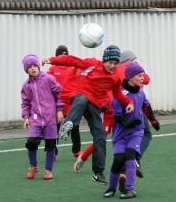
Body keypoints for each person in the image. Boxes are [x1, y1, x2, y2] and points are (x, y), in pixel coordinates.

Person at [41, 45, 134, 185]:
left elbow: (118, 94)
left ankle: (98, 173)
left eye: (115, 63)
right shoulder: (91, 64)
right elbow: (71, 60)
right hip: (76, 93)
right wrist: (52, 60)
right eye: (110, 62)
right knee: (82, 99)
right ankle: (69, 123)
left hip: (94, 104)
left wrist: (129, 102)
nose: (112, 66)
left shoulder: (114, 77)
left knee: (100, 135)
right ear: (104, 60)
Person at [74, 49, 155, 177]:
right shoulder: (134, 68)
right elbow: (147, 79)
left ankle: (82, 158)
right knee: (144, 133)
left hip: (111, 109)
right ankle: (133, 160)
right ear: (132, 59)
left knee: (101, 137)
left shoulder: (113, 69)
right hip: (130, 109)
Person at [103, 62, 160, 199]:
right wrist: (130, 123)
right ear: (129, 78)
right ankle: (111, 188)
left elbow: (146, 106)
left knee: (130, 155)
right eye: (139, 76)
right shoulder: (120, 96)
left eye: (143, 75)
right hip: (120, 134)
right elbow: (117, 116)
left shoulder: (140, 93)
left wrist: (152, 120)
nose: (143, 78)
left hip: (136, 131)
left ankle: (130, 189)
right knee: (118, 160)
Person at [21, 54, 64, 180]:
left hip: (50, 118)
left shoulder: (48, 79)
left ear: (39, 66)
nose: (33, 69)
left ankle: (48, 170)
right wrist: (26, 117)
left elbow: (59, 94)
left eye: (35, 66)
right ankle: (33, 166)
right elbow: (25, 103)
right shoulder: (26, 85)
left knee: (51, 145)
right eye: (30, 67)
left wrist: (59, 110)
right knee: (31, 143)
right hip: (35, 119)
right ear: (26, 70)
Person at [47, 45, 82, 160]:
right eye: (61, 55)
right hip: (57, 106)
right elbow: (47, 86)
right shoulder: (52, 70)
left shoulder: (72, 69)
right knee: (54, 129)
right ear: (57, 57)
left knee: (74, 127)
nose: (63, 57)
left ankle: (76, 151)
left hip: (70, 104)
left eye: (65, 55)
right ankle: (53, 152)